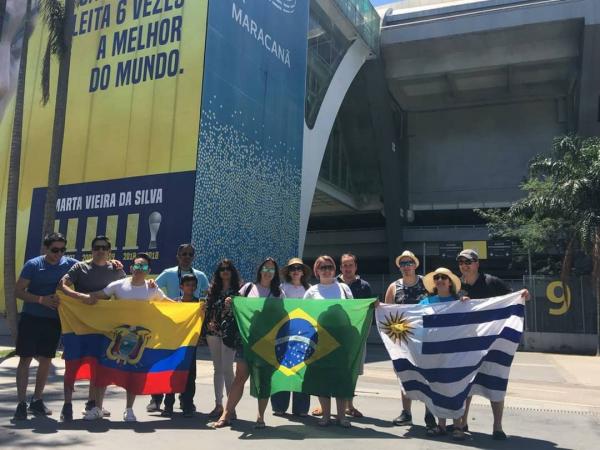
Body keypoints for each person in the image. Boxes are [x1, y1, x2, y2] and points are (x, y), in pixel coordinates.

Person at [77, 253, 169, 422]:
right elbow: (96, 296)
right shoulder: (118, 285)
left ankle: (129, 410)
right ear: (131, 268)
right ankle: (97, 408)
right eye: (137, 266)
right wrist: (71, 296)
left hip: (138, 339)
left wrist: (192, 308)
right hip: (114, 336)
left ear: (148, 270)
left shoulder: (152, 288)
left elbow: (168, 304)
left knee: (133, 373)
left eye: (143, 267)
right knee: (103, 371)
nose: (139, 270)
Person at [456, 249, 529, 440]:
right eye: (461, 262)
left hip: (493, 343)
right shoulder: (456, 285)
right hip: (467, 342)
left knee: (496, 382)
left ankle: (497, 427)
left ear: (477, 263)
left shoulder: (492, 282)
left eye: (468, 261)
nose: (465, 265)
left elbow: (513, 299)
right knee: (467, 384)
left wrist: (523, 295)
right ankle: (462, 423)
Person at [211, 257, 284, 429]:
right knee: (240, 378)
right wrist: (230, 302)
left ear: (275, 273)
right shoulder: (249, 287)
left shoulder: (279, 293)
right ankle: (226, 415)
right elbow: (236, 307)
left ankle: (260, 417)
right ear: (260, 271)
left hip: (267, 342)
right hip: (248, 340)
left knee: (264, 379)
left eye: (271, 269)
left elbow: (282, 317)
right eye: (265, 268)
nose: (268, 272)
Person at [58, 235, 126, 421]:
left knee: (98, 365)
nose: (100, 250)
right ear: (92, 249)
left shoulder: (116, 269)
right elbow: (62, 285)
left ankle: (93, 403)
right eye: (97, 247)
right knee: (72, 364)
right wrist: (81, 297)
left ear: (109, 251)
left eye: (104, 248)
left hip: (103, 327)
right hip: (77, 326)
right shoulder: (80, 267)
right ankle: (67, 405)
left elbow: (125, 290)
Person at [13, 233, 78, 420]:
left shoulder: (70, 264)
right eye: (54, 250)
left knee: (46, 360)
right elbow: (18, 291)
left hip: (54, 321)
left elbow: (90, 268)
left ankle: (37, 400)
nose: (58, 254)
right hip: (31, 318)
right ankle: (21, 403)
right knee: (25, 359)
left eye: (62, 250)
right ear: (45, 249)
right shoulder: (33, 265)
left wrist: (115, 264)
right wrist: (41, 300)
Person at [149, 243, 209, 412]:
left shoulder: (200, 276)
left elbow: (208, 294)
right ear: (178, 256)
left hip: (190, 330)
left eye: (190, 254)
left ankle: (186, 400)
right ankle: (156, 399)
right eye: (184, 254)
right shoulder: (168, 273)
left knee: (188, 366)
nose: (187, 257)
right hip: (170, 328)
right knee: (164, 363)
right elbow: (152, 290)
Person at [384, 250, 435, 428]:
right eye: (403, 264)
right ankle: (406, 412)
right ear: (399, 267)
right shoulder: (393, 287)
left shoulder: (427, 283)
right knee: (405, 375)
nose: (406, 267)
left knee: (427, 376)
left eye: (409, 263)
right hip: (403, 339)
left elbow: (440, 302)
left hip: (425, 338)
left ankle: (430, 412)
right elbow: (387, 313)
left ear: (415, 264)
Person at [304, 255, 353, 428]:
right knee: (322, 377)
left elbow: (353, 312)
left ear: (334, 269)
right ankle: (325, 416)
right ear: (317, 271)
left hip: (341, 340)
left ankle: (342, 416)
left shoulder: (344, 288)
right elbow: (304, 315)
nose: (326, 270)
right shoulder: (311, 291)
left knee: (340, 377)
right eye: (322, 267)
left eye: (329, 267)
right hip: (319, 340)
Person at [418, 267, 466, 441]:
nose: (439, 280)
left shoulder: (460, 301)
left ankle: (458, 425)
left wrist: (467, 303)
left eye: (443, 277)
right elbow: (412, 320)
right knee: (436, 388)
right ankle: (441, 425)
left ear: (450, 281)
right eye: (437, 277)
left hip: (454, 354)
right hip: (432, 353)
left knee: (455, 388)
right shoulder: (425, 302)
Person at [158, 274, 204, 418]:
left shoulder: (199, 305)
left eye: (192, 285)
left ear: (196, 287)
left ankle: (187, 404)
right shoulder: (174, 304)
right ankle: (168, 404)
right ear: (181, 287)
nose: (190, 287)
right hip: (175, 345)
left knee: (190, 375)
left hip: (191, 345)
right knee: (172, 373)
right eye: (187, 285)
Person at [271, 258, 312, 416]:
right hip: (285, 335)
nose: (296, 271)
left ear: (303, 271)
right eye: (293, 268)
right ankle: (279, 406)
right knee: (282, 370)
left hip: (305, 336)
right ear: (288, 272)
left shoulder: (310, 290)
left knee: (302, 372)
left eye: (299, 268)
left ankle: (301, 408)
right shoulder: (282, 289)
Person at [204, 259, 242, 419]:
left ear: (232, 272)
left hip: (229, 334)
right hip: (212, 333)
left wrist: (235, 303)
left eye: (228, 269)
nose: (225, 271)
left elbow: (243, 312)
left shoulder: (238, 291)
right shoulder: (213, 290)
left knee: (227, 369)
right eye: (222, 269)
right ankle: (218, 405)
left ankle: (230, 408)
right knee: (217, 369)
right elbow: (207, 308)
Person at [337, 252, 372, 418]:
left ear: (356, 267)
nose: (347, 268)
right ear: (340, 267)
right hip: (334, 335)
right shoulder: (333, 284)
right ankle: (327, 405)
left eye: (350, 265)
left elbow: (369, 310)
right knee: (332, 369)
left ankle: (349, 405)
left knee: (353, 371)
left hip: (356, 336)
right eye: (344, 265)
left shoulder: (364, 286)